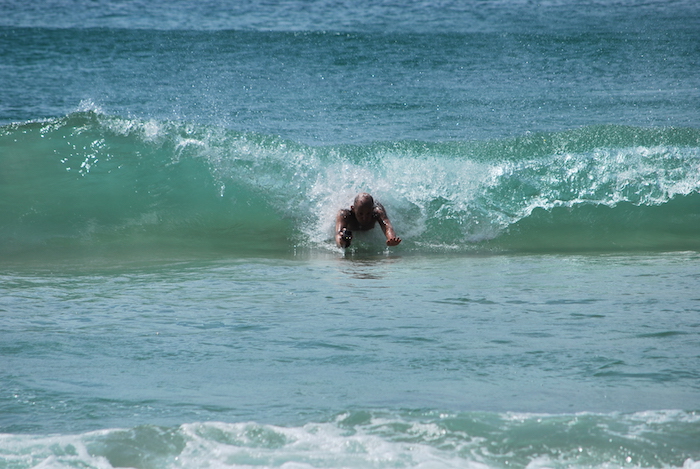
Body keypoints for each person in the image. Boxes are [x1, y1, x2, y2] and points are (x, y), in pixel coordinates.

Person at [335, 193, 402, 248]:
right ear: (353, 209)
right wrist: (341, 242)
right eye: (360, 214)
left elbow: (387, 226)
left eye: (368, 214)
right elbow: (338, 233)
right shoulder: (345, 214)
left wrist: (391, 238)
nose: (364, 218)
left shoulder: (377, 212)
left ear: (372, 210)